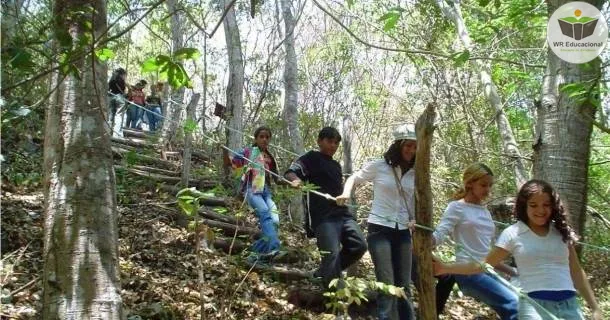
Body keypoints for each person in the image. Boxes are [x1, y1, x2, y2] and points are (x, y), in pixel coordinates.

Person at [435, 180, 601, 320]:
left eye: (546, 205)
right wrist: (446, 267)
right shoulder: (513, 233)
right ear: (524, 206)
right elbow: (482, 265)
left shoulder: (561, 231)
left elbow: (576, 271)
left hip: (569, 305)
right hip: (533, 306)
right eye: (534, 205)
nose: (540, 210)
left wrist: (594, 307)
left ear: (553, 206)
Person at [336, 124, 416, 320]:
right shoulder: (380, 166)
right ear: (398, 145)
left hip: (404, 231)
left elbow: (415, 200)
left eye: (415, 147)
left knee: (404, 283)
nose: (411, 151)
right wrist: (346, 193)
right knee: (387, 282)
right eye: (408, 146)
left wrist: (414, 219)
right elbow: (354, 178)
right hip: (380, 229)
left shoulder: (417, 172)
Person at [432, 163, 518, 320]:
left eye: (490, 185)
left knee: (523, 305)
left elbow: (487, 255)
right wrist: (422, 237)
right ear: (470, 183)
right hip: (467, 273)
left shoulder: (485, 211)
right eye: (483, 185)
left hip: (486, 271)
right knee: (514, 305)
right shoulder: (456, 207)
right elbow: (440, 234)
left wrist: (512, 272)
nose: (488, 190)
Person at [285, 127, 367, 290]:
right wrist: (296, 181)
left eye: (336, 143)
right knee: (331, 254)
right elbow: (290, 172)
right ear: (319, 141)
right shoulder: (311, 158)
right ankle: (337, 300)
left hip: (343, 214)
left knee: (359, 245)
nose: (333, 146)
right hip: (323, 216)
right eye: (330, 141)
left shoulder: (336, 166)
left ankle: (323, 272)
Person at [226, 126, 291, 263]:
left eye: (267, 137)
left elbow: (277, 179)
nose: (264, 139)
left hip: (266, 192)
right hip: (252, 189)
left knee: (275, 221)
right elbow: (233, 164)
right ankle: (274, 248)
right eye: (261, 136)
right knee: (265, 214)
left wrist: (292, 183)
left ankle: (254, 253)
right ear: (256, 139)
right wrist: (224, 152)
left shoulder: (270, 157)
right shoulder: (248, 152)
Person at [107, 67, 127, 132]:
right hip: (119, 97)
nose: (125, 76)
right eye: (124, 75)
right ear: (122, 74)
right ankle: (118, 132)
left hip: (111, 96)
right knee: (119, 115)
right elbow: (122, 90)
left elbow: (108, 88)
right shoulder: (121, 80)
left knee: (111, 115)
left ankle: (110, 131)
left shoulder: (112, 79)